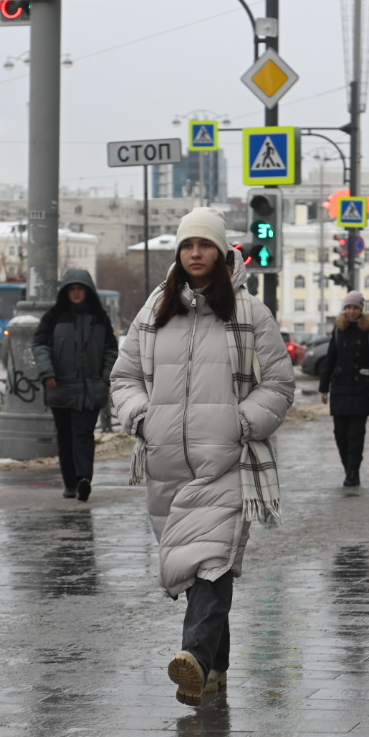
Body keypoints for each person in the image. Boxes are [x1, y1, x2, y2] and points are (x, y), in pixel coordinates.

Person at [109, 208, 295, 706]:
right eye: (187, 245)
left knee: (211, 561)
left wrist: (242, 423)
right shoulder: (154, 313)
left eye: (204, 245)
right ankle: (214, 671)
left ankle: (192, 656)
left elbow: (278, 384)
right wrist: (142, 418)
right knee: (196, 569)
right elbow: (123, 378)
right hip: (166, 463)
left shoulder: (250, 313)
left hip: (228, 461)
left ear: (221, 252)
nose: (195, 253)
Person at [32, 267, 119, 501]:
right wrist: (47, 372)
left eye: (81, 289)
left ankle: (83, 480)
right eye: (73, 289)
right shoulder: (53, 317)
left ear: (88, 291)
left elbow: (111, 349)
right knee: (65, 437)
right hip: (60, 387)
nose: (77, 293)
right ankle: (70, 483)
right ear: (65, 292)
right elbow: (39, 346)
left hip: (90, 390)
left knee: (83, 434)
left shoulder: (99, 318)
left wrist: (103, 379)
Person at [317, 290, 369, 487]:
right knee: (340, 435)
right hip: (340, 389)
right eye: (349, 307)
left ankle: (353, 472)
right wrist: (324, 388)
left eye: (355, 308)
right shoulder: (339, 329)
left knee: (355, 436)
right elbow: (330, 360)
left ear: (361, 309)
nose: (352, 311)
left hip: (361, 390)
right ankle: (348, 468)